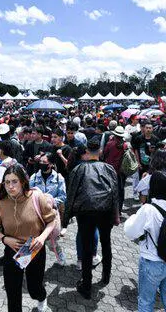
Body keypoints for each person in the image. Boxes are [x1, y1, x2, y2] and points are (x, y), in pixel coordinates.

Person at [0, 164, 56, 312]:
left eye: (14, 181)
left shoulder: (37, 197)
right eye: (7, 182)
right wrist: (5, 239)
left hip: (34, 248)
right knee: (12, 291)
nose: (10, 186)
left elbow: (52, 220)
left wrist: (42, 238)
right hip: (13, 250)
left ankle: (41, 297)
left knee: (34, 288)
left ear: (23, 182)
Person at [63, 138, 119, 300]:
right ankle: (106, 276)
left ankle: (86, 286)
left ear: (87, 151)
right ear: (100, 152)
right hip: (105, 211)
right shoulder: (109, 168)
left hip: (86, 212)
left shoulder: (78, 169)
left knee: (87, 249)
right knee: (106, 243)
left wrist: (66, 219)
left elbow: (71, 195)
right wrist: (115, 216)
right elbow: (116, 193)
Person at [124, 171, 166, 311]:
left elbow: (130, 231)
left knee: (146, 302)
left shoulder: (149, 209)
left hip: (152, 261)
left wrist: (135, 215)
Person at [29, 153, 67, 264]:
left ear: (51, 164)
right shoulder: (34, 177)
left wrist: (49, 202)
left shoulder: (59, 178)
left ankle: (58, 253)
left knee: (52, 242)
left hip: (51, 214)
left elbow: (63, 196)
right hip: (35, 215)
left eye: (44, 163)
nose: (41, 164)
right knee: (32, 240)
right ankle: (27, 261)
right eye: (40, 162)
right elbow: (29, 193)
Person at [103, 126, 128, 213]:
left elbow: (104, 154)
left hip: (109, 170)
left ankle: (110, 209)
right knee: (120, 191)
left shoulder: (110, 144)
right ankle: (119, 210)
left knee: (109, 190)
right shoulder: (125, 145)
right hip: (121, 171)